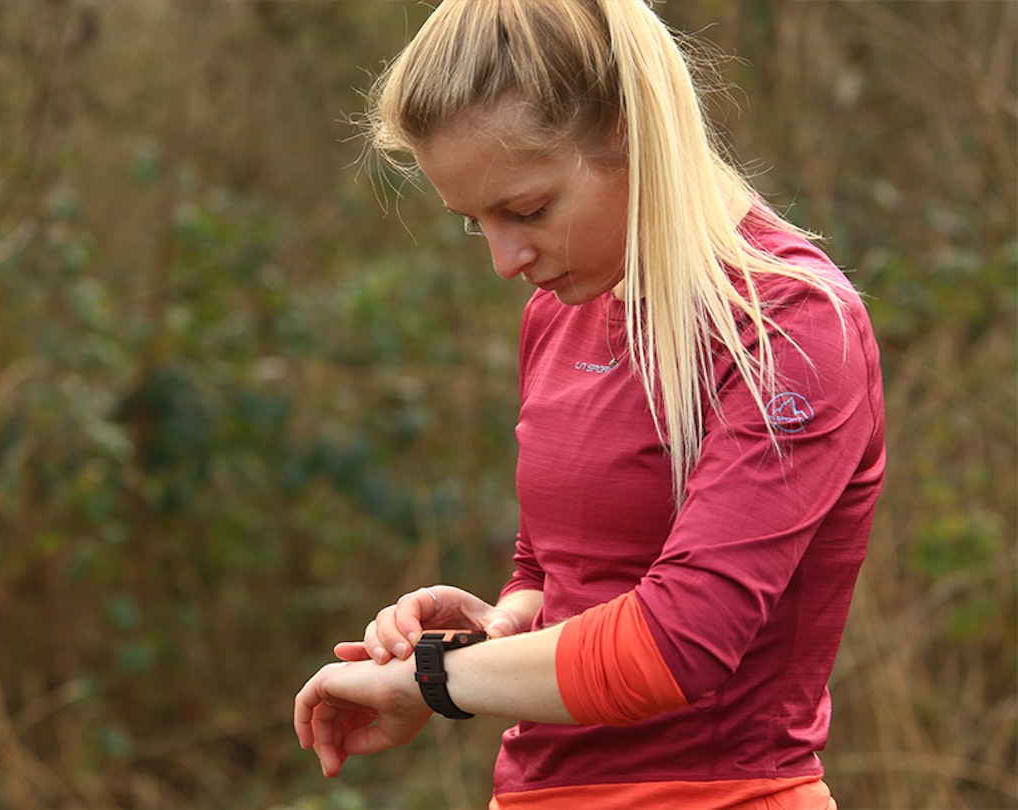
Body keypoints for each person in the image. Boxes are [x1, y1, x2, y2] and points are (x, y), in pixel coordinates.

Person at [292, 1, 886, 808]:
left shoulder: (791, 325)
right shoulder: (563, 307)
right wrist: (497, 627)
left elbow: (677, 644)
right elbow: (548, 571)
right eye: (476, 224)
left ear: (632, 133)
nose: (506, 260)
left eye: (528, 210)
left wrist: (434, 679)